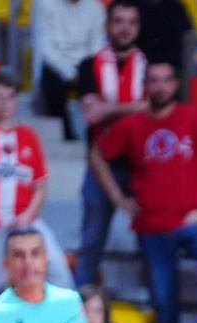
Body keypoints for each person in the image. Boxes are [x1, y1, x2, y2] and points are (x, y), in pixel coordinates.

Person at [90, 61, 197, 323]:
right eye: (154, 80)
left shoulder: (191, 116)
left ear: (175, 85)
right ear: (146, 85)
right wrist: (118, 197)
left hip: (194, 221)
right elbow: (97, 156)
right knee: (163, 298)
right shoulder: (132, 124)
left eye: (166, 80)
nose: (160, 86)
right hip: (152, 226)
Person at [0, 71, 75, 303]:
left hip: (27, 222)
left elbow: (41, 186)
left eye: (10, 97)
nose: (4, 104)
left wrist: (27, 216)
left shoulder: (28, 136)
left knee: (59, 273)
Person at [73, 0, 147, 287]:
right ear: (107, 25)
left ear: (138, 27)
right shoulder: (88, 65)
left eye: (131, 22)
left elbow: (154, 109)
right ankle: (80, 309)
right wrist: (138, 106)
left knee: (150, 241)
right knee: (91, 241)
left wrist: (110, 108)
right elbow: (92, 113)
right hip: (100, 164)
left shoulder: (149, 66)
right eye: (119, 21)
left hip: (141, 166)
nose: (125, 28)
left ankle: (149, 303)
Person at [37, 0, 105, 141]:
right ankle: (66, 136)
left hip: (86, 64)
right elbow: (46, 48)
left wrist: (84, 71)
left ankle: (93, 135)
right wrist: (69, 73)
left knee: (100, 81)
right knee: (50, 85)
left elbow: (97, 46)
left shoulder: (96, 8)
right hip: (57, 65)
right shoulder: (45, 4)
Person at [135, 0, 192, 66]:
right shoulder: (134, 6)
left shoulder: (175, 7)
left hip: (172, 65)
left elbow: (188, 35)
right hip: (139, 62)